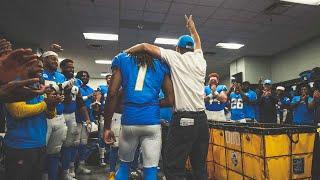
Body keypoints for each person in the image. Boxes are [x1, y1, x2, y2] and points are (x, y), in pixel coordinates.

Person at [124, 15, 208, 180]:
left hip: (184, 119)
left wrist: (122, 55)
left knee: (173, 166)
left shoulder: (175, 57)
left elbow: (144, 47)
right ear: (191, 49)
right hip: (202, 121)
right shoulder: (200, 60)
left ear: (178, 48)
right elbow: (198, 41)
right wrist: (192, 28)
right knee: (199, 166)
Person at [103, 50, 174, 180]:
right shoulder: (161, 63)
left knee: (124, 167)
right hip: (151, 122)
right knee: (151, 171)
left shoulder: (122, 59)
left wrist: (107, 127)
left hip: (129, 120)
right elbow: (170, 100)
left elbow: (112, 93)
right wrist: (151, 104)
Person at [4, 60, 62, 180]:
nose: (41, 69)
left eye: (42, 67)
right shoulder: (15, 85)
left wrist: (52, 106)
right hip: (20, 145)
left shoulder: (38, 87)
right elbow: (17, 111)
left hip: (39, 143)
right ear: (25, 66)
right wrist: (46, 104)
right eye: (38, 66)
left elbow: (49, 115)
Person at [60, 59, 92, 180]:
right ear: (62, 68)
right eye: (68, 67)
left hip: (72, 115)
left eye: (73, 68)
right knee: (56, 147)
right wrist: (65, 89)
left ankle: (66, 171)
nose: (71, 70)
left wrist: (88, 119)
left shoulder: (76, 82)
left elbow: (79, 102)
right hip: (59, 115)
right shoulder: (59, 78)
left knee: (70, 145)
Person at [41, 50, 68, 180]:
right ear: (44, 60)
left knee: (55, 151)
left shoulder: (61, 77)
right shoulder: (39, 74)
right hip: (44, 116)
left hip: (59, 115)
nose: (55, 62)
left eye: (56, 60)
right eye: (52, 59)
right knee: (41, 151)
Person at [75, 71, 97, 175]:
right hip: (76, 119)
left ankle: (81, 165)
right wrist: (88, 96)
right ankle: (70, 167)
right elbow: (78, 101)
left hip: (88, 119)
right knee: (74, 144)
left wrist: (94, 106)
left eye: (87, 76)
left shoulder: (90, 89)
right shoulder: (75, 87)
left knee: (84, 144)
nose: (85, 78)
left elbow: (89, 105)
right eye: (83, 76)